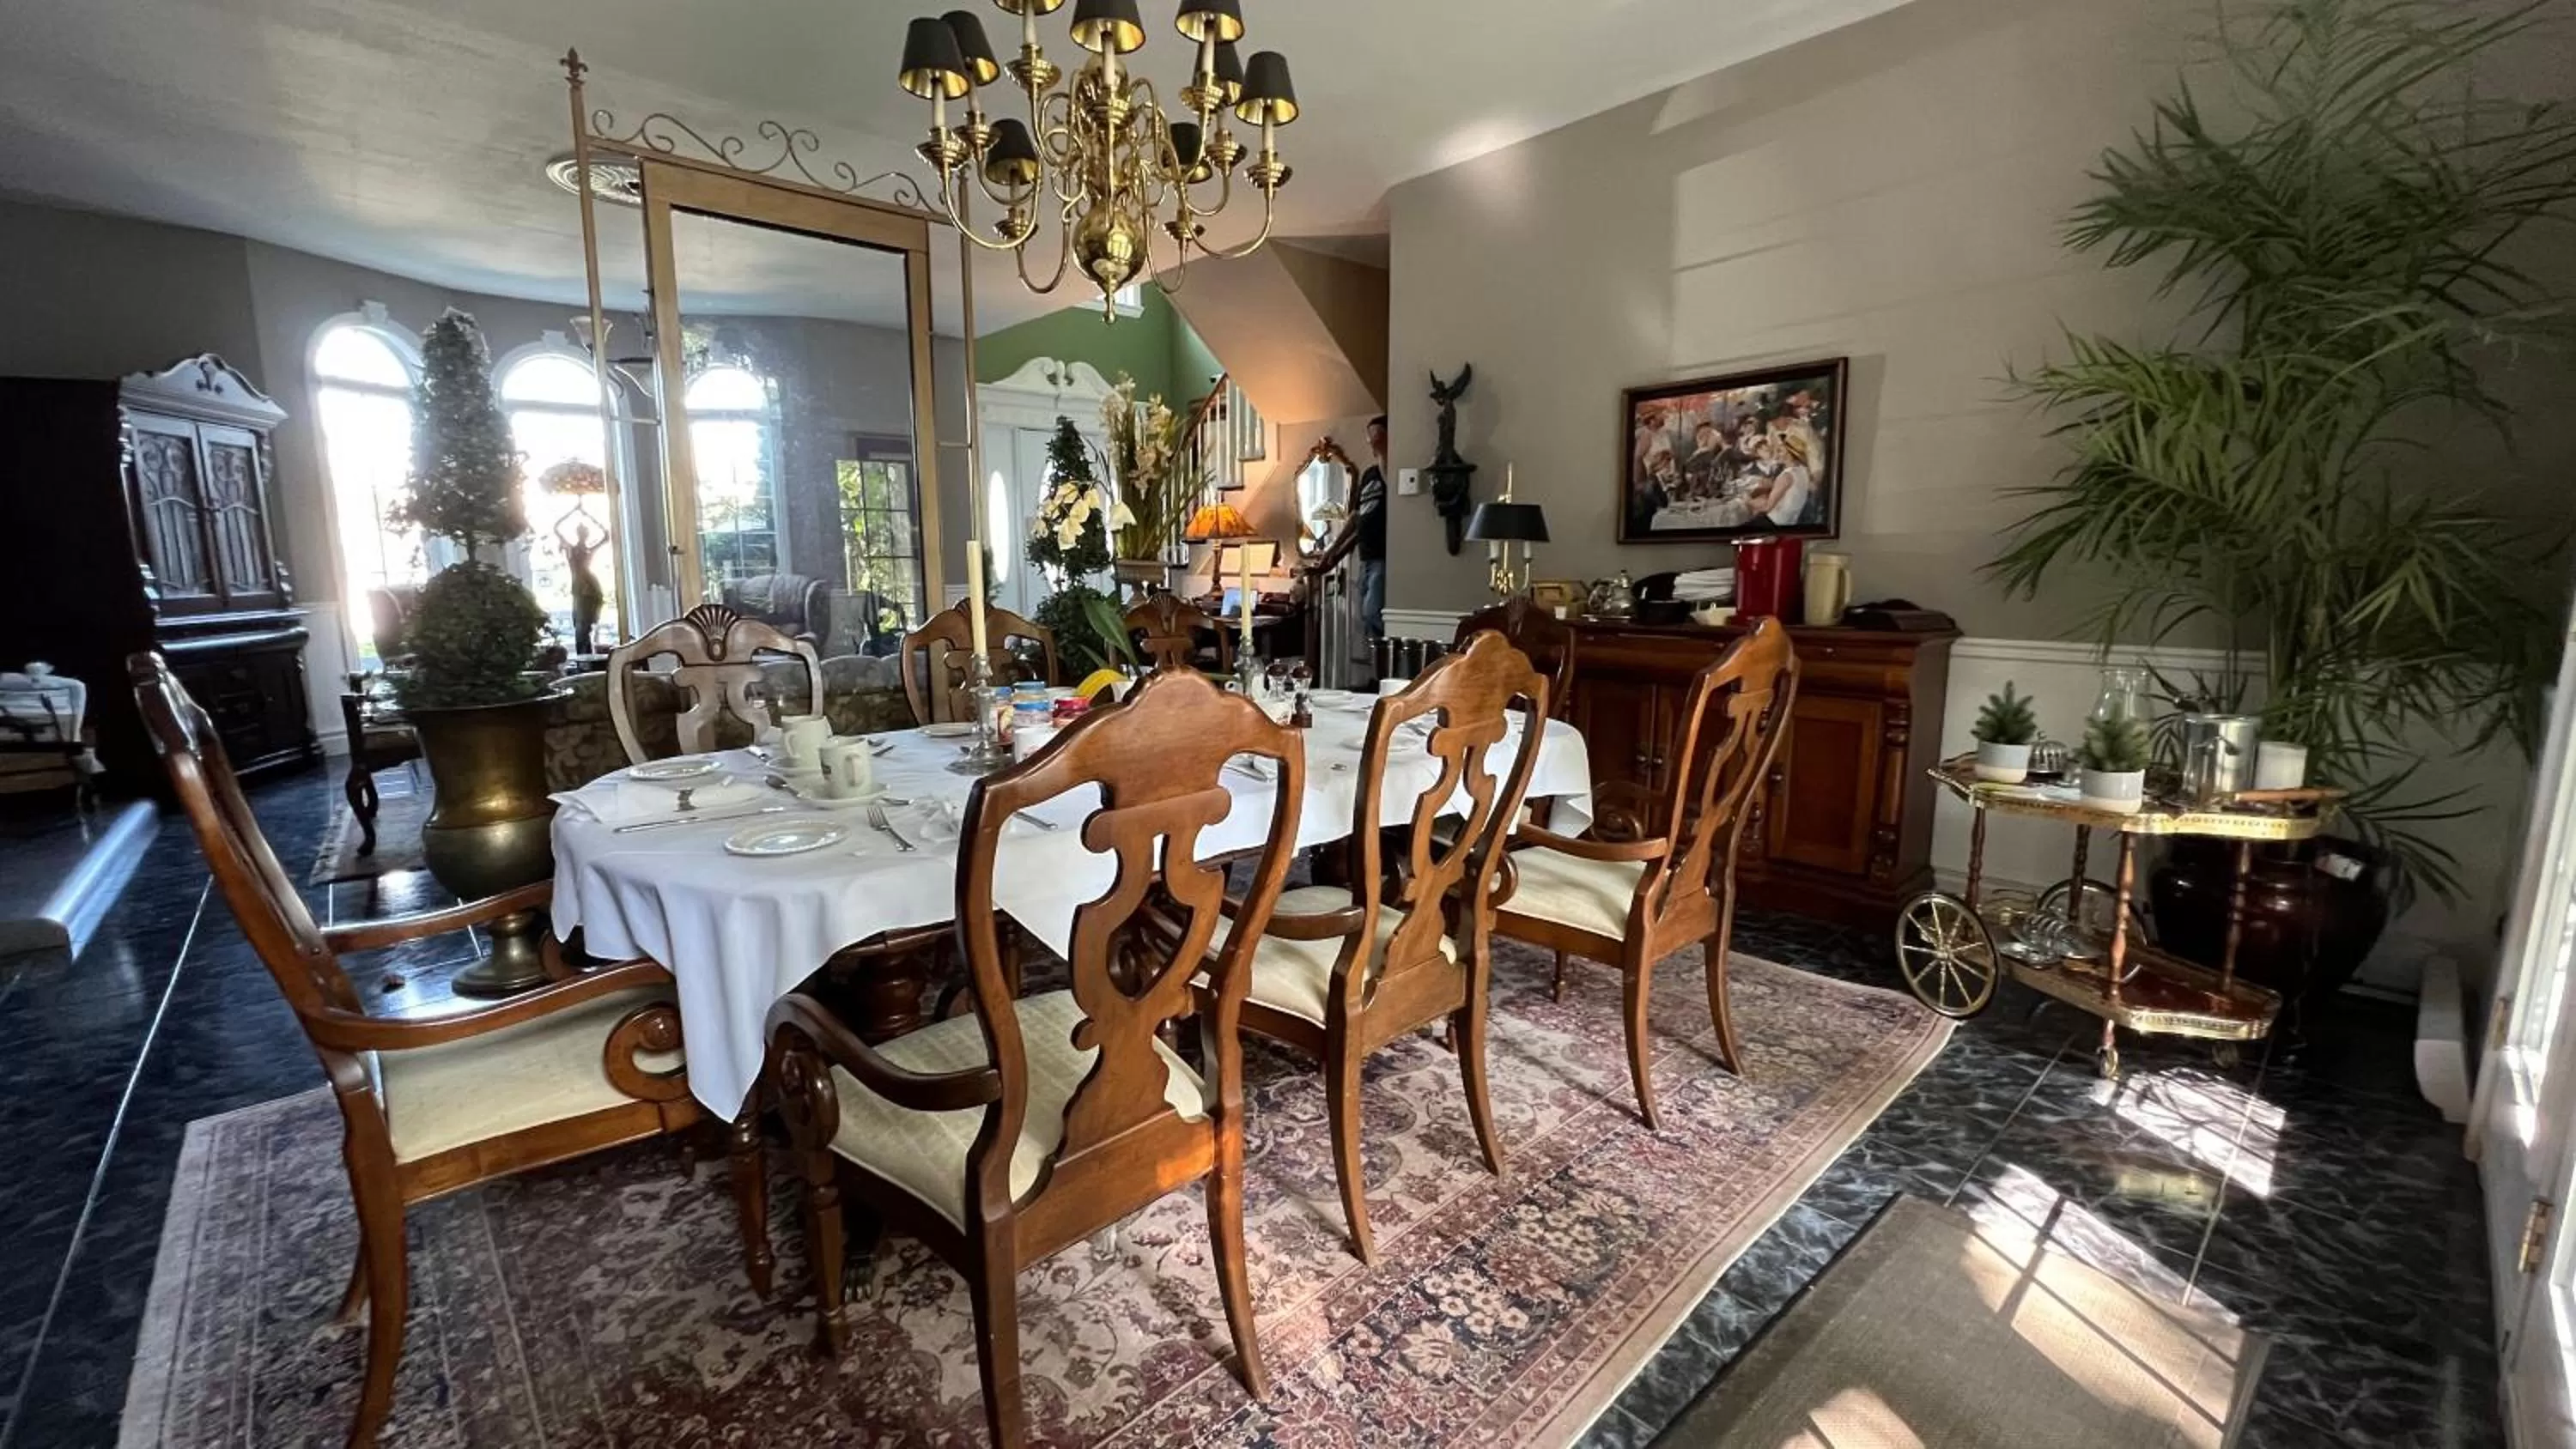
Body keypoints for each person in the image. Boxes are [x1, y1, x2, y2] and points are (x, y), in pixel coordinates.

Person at [1314, 415, 1390, 644]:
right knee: (1365, 619)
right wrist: (1333, 549)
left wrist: (1384, 452)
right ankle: (1377, 675)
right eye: (1370, 436)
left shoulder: (1393, 471)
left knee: (1373, 613)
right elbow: (1356, 517)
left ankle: (1384, 674)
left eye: (1377, 435)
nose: (1372, 441)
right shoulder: (1368, 474)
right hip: (1365, 558)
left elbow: (1390, 483)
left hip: (1383, 557)